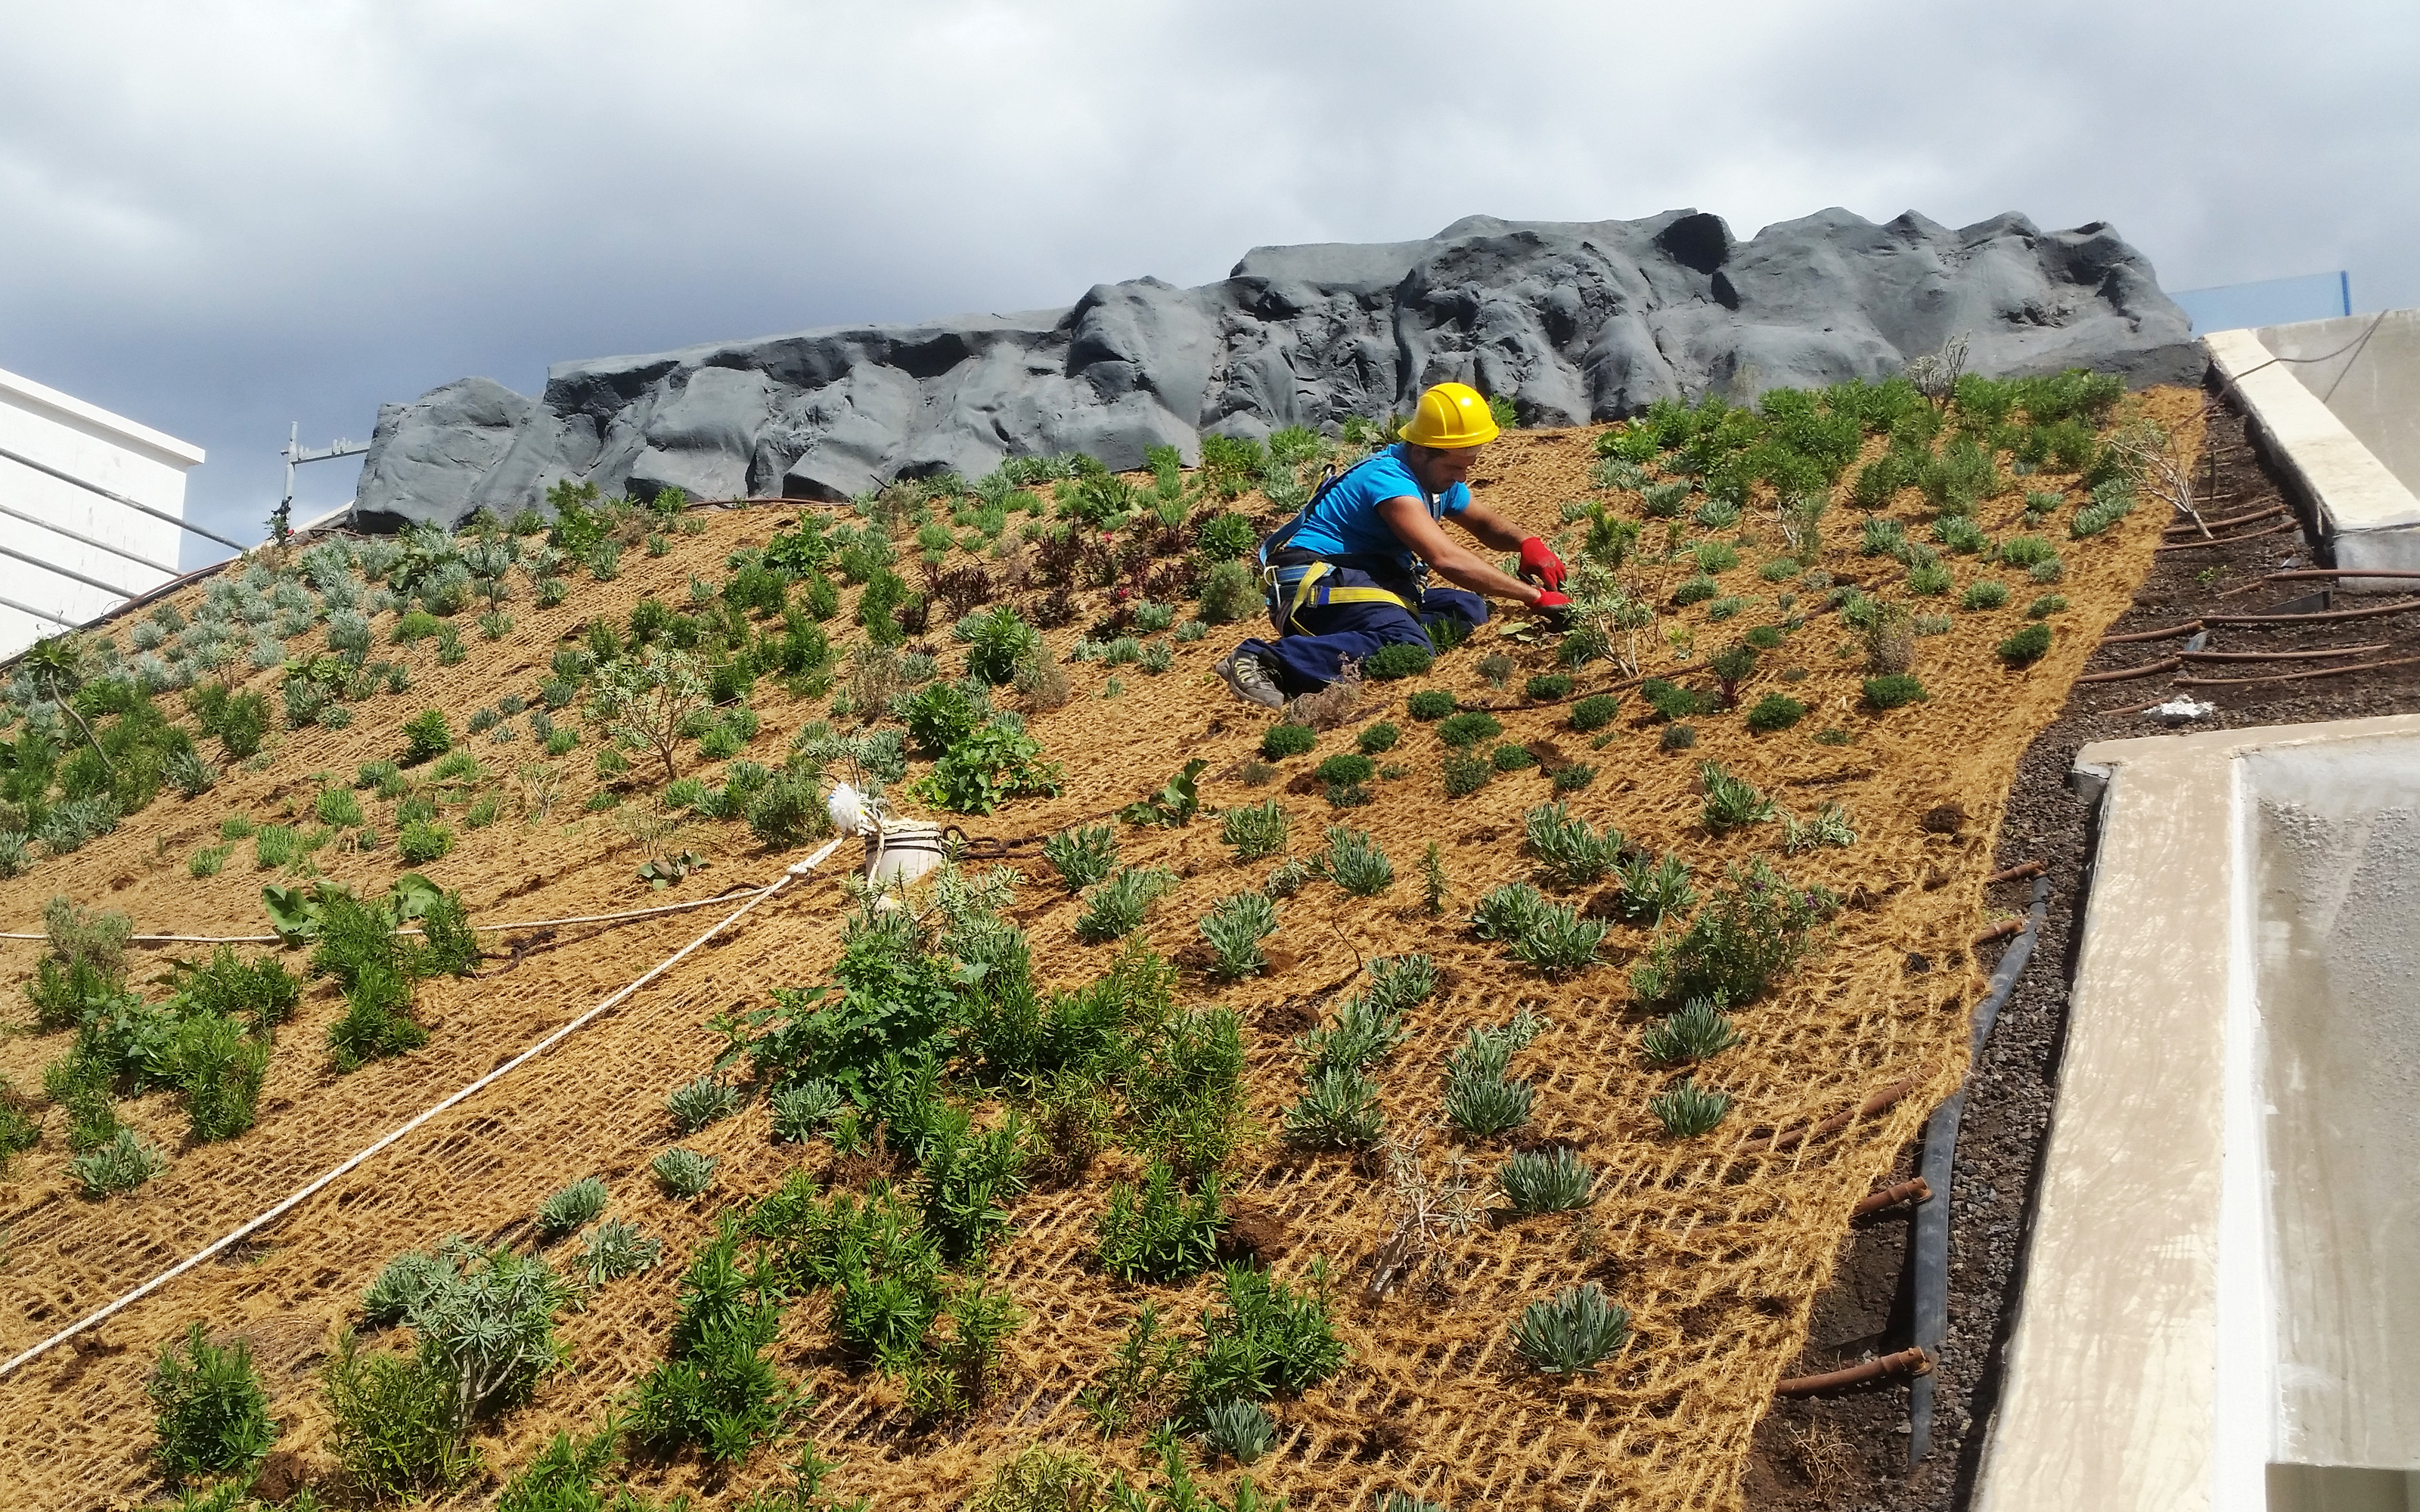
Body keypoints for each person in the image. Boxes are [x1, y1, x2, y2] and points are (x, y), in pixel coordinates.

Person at [1214, 381, 1570, 709]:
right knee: (1407, 644)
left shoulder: (1436, 480)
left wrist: (1528, 543)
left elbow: (1484, 524)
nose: (1462, 477)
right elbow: (1445, 559)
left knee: (1469, 606)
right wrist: (1534, 596)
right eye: (1454, 467)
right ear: (1419, 451)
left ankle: (1376, 637)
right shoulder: (1389, 481)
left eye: (1468, 465)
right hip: (1316, 586)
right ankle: (1267, 658)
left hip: (1361, 581)